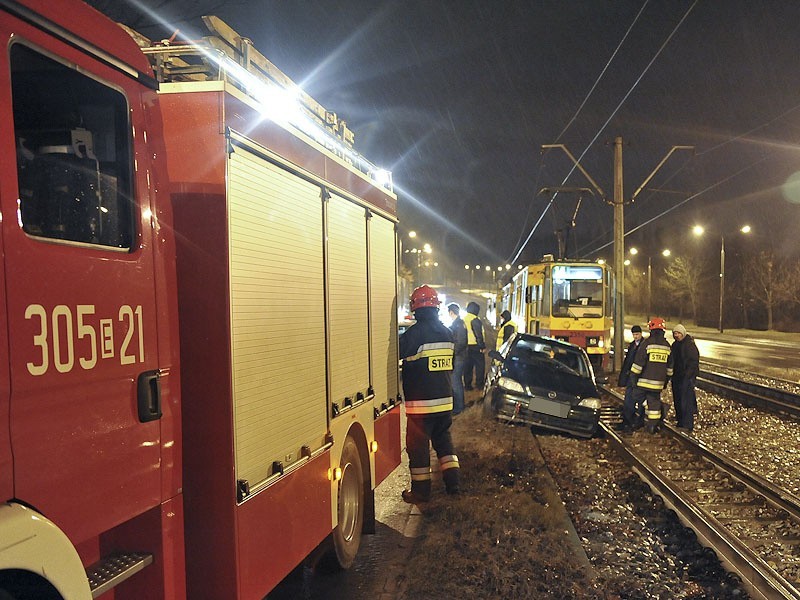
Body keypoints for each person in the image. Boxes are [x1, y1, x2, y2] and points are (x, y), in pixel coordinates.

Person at [399, 285, 460, 503]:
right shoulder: (447, 333)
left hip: (421, 407)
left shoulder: (413, 335)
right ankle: (453, 485)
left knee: (418, 448)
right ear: (436, 307)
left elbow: (394, 355)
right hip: (444, 403)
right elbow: (450, 366)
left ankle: (421, 492)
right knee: (445, 444)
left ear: (415, 308)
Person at [629, 317, 674, 434]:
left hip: (644, 382)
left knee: (636, 395)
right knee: (653, 401)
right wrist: (665, 381)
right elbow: (670, 368)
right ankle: (652, 426)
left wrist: (633, 376)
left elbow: (639, 363)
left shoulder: (647, 344)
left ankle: (653, 408)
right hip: (658, 383)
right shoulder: (667, 345)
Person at [671, 324, 700, 431]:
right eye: (675, 333)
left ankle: (687, 424)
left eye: (678, 333)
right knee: (678, 399)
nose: (676, 335)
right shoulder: (675, 345)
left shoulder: (689, 345)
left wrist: (688, 375)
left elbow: (693, 361)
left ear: (683, 333)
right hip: (677, 376)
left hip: (686, 377)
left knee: (686, 401)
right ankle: (680, 421)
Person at [618, 325, 645, 431]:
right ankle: (629, 419)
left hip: (639, 377)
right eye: (634, 334)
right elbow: (627, 362)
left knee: (637, 397)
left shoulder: (643, 345)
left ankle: (636, 420)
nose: (635, 336)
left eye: (637, 334)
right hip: (631, 376)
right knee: (629, 397)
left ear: (641, 334)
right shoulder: (632, 345)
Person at [448, 303, 467, 415]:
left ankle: (459, 408)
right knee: (455, 381)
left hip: (458, 357)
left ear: (451, 312)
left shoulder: (458, 324)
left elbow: (460, 342)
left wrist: (452, 352)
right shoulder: (458, 323)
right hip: (459, 356)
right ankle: (458, 406)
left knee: (456, 382)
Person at [463, 301, 486, 391]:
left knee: (468, 367)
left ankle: (467, 385)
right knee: (480, 366)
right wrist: (482, 346)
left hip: (466, 347)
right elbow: (478, 335)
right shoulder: (475, 320)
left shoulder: (463, 319)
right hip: (475, 347)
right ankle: (479, 384)